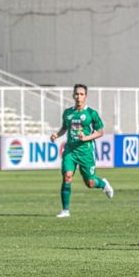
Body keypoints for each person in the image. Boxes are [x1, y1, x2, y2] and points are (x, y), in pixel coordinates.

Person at [50, 84, 113, 217]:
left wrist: (86, 137)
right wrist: (56, 134)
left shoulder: (91, 113)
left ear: (86, 96)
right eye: (77, 94)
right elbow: (64, 128)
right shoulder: (68, 113)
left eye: (81, 94)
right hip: (70, 151)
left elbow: (100, 132)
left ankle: (103, 184)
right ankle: (65, 210)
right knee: (67, 177)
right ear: (73, 95)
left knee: (90, 183)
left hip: (86, 152)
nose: (79, 97)